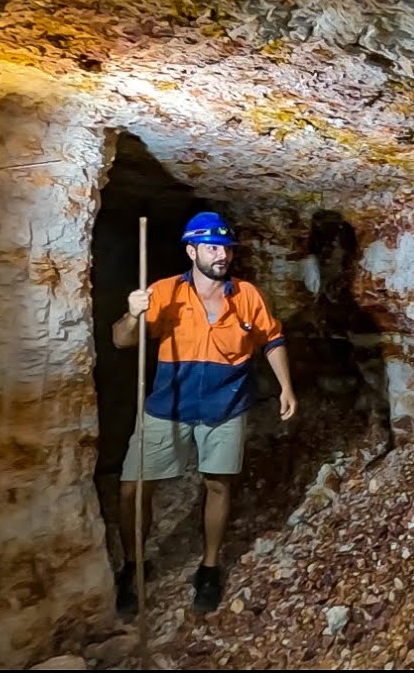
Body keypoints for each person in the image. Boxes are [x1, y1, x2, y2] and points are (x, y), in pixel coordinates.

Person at [111, 211, 298, 615]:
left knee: (218, 485)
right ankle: (134, 566)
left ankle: (209, 567)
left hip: (225, 406)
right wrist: (132, 313)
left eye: (226, 248)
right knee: (133, 488)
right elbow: (122, 341)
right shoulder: (164, 292)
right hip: (168, 405)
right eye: (212, 247)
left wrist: (286, 385)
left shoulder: (246, 295)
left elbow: (272, 338)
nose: (222, 255)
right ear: (192, 250)